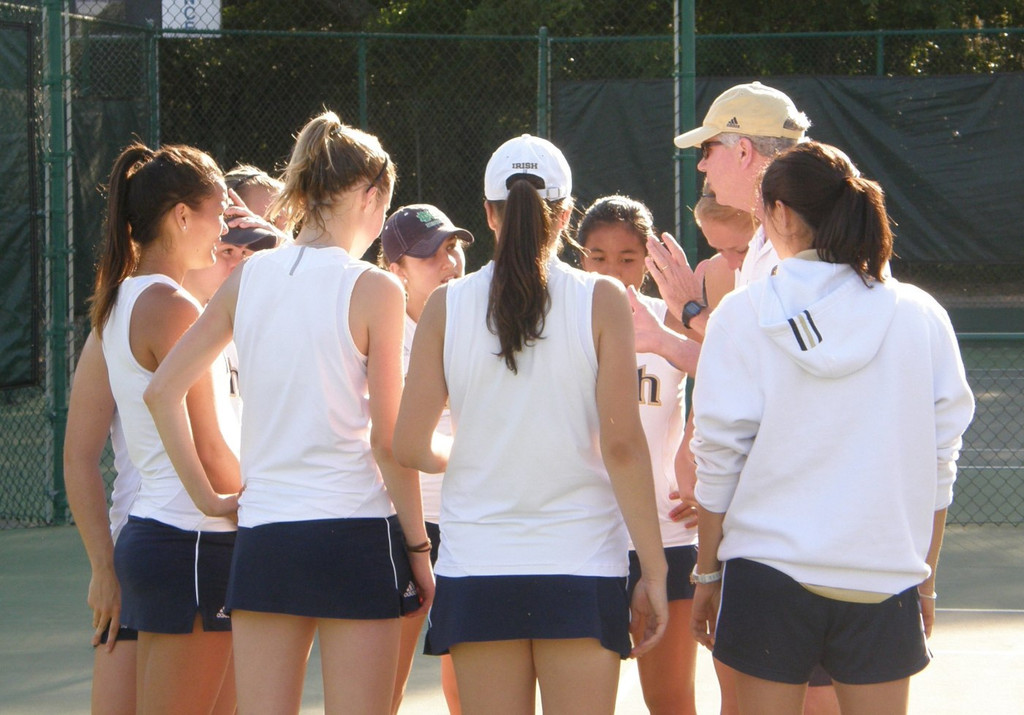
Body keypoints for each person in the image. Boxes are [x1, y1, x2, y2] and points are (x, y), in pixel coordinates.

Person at [145, 110, 433, 715]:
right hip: (355, 535)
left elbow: (161, 391)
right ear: (372, 194)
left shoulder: (249, 279)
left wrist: (208, 500)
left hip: (266, 540)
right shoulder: (376, 288)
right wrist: (418, 549)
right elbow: (388, 440)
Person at [689, 141, 975, 715]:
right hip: (882, 579)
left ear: (783, 216)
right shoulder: (922, 316)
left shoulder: (741, 316)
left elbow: (718, 459)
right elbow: (940, 462)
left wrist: (707, 573)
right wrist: (924, 580)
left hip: (766, 577)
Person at [394, 134, 669, 715]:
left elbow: (410, 445)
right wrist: (656, 569)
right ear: (566, 214)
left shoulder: (445, 306)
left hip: (478, 567)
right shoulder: (603, 300)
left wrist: (467, 450)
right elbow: (622, 446)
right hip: (582, 564)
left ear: (490, 212)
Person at [85, 142, 241, 713]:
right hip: (193, 542)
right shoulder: (174, 307)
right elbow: (211, 447)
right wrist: (272, 501)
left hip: (157, 538)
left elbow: (80, 454)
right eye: (218, 212)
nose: (223, 227)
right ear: (181, 216)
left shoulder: (117, 301)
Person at [577, 195, 700, 715]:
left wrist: (705, 474)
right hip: (583, 537)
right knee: (582, 700)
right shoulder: (555, 322)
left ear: (648, 262)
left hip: (666, 533)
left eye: (627, 258)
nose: (611, 269)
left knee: (670, 699)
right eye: (597, 255)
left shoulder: (665, 326)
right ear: (579, 255)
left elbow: (737, 386)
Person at [379, 203, 473, 715]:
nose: (450, 262)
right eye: (429, 255)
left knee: (467, 686)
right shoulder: (379, 328)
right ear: (395, 269)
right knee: (383, 690)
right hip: (399, 527)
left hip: (468, 522)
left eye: (453, 248)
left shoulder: (482, 316)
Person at [649, 81, 811, 336]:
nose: (701, 165)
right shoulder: (767, 237)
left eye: (707, 150)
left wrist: (690, 310)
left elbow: (784, 354)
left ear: (743, 152)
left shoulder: (809, 236)